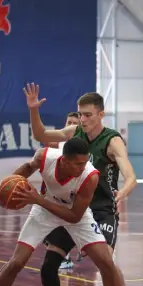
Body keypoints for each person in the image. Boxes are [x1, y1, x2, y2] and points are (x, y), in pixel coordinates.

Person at [0, 138, 143, 286]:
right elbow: (28, 167)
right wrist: (10, 180)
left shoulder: (90, 177)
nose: (84, 166)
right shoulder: (45, 157)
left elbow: (74, 216)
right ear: (63, 160)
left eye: (85, 161)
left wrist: (38, 200)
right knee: (17, 262)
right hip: (43, 211)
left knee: (106, 261)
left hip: (74, 214)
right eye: (78, 163)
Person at [23, 83, 143, 286]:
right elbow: (41, 135)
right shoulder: (74, 132)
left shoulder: (112, 141)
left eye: (88, 114)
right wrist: (33, 111)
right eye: (81, 113)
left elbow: (131, 175)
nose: (83, 118)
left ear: (101, 114)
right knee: (48, 265)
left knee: (106, 263)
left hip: (100, 211)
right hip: (74, 208)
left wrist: (123, 192)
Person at [43, 111, 81, 269]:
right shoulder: (59, 143)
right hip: (57, 192)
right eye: (68, 122)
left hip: (75, 194)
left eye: (74, 123)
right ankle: (70, 252)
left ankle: (69, 254)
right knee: (46, 227)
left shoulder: (82, 148)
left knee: (61, 227)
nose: (70, 125)